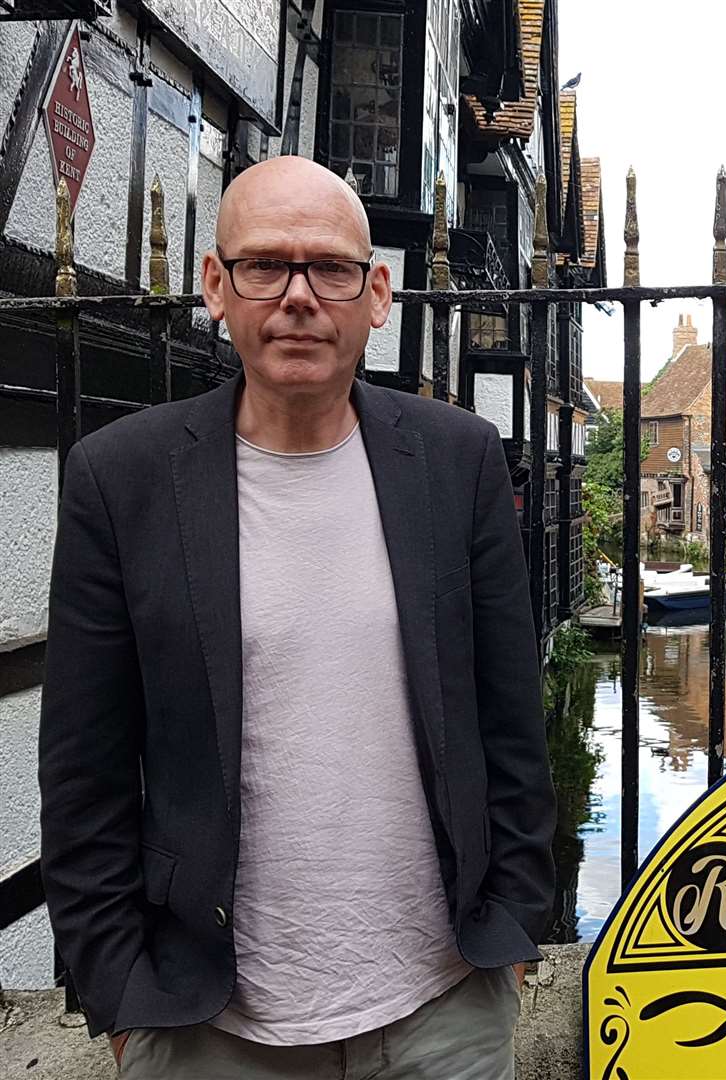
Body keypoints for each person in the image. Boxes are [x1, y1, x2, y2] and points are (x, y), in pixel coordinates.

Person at [38, 155, 555, 1079]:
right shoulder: (120, 480)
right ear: (216, 287)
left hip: (443, 1009)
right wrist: (118, 993)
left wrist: (515, 926)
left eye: (331, 268)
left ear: (378, 293)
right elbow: (84, 770)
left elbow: (510, 718)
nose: (300, 296)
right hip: (209, 1026)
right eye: (266, 265)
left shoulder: (459, 462)